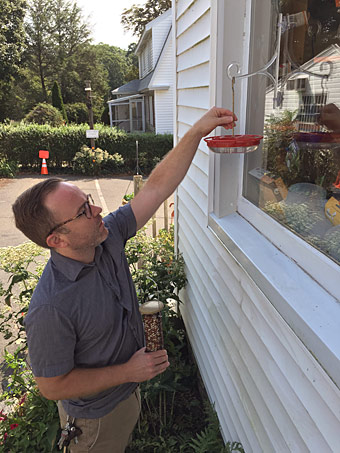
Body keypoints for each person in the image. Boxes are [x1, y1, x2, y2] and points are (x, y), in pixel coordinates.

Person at [12, 107, 237, 453]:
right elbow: (52, 386)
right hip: (94, 424)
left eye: (89, 201)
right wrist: (129, 372)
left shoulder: (107, 236)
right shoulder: (52, 306)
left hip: (126, 397)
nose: (99, 210)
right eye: (84, 211)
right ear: (56, 240)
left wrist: (197, 131)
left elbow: (157, 187)